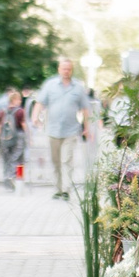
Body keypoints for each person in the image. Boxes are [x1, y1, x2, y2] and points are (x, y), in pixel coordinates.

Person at [34, 57, 93, 200]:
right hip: (52, 130)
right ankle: (58, 189)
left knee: (67, 160)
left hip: (71, 131)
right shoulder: (50, 85)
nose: (66, 71)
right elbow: (40, 103)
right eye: (63, 68)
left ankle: (66, 190)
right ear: (59, 69)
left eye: (69, 69)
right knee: (55, 161)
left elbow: (85, 109)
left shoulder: (78, 87)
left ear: (71, 70)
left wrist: (87, 127)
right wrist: (35, 117)